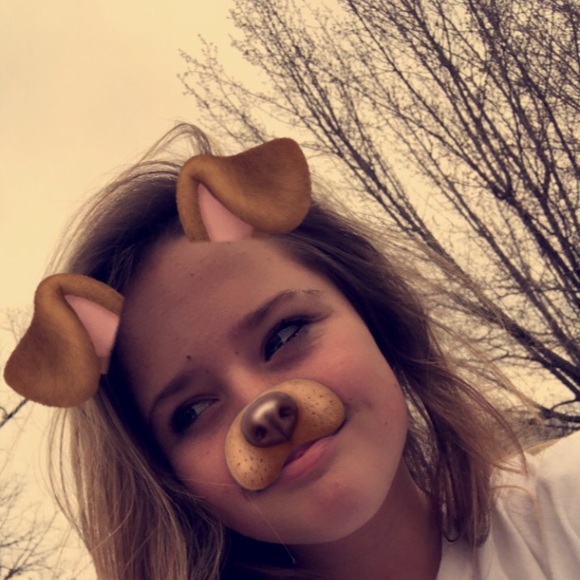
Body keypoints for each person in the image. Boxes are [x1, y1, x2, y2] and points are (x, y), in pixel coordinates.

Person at [4, 123, 579, 579]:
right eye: (192, 412)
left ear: (373, 315)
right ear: (165, 476)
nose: (261, 408)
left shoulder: (563, 508)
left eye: (284, 335)